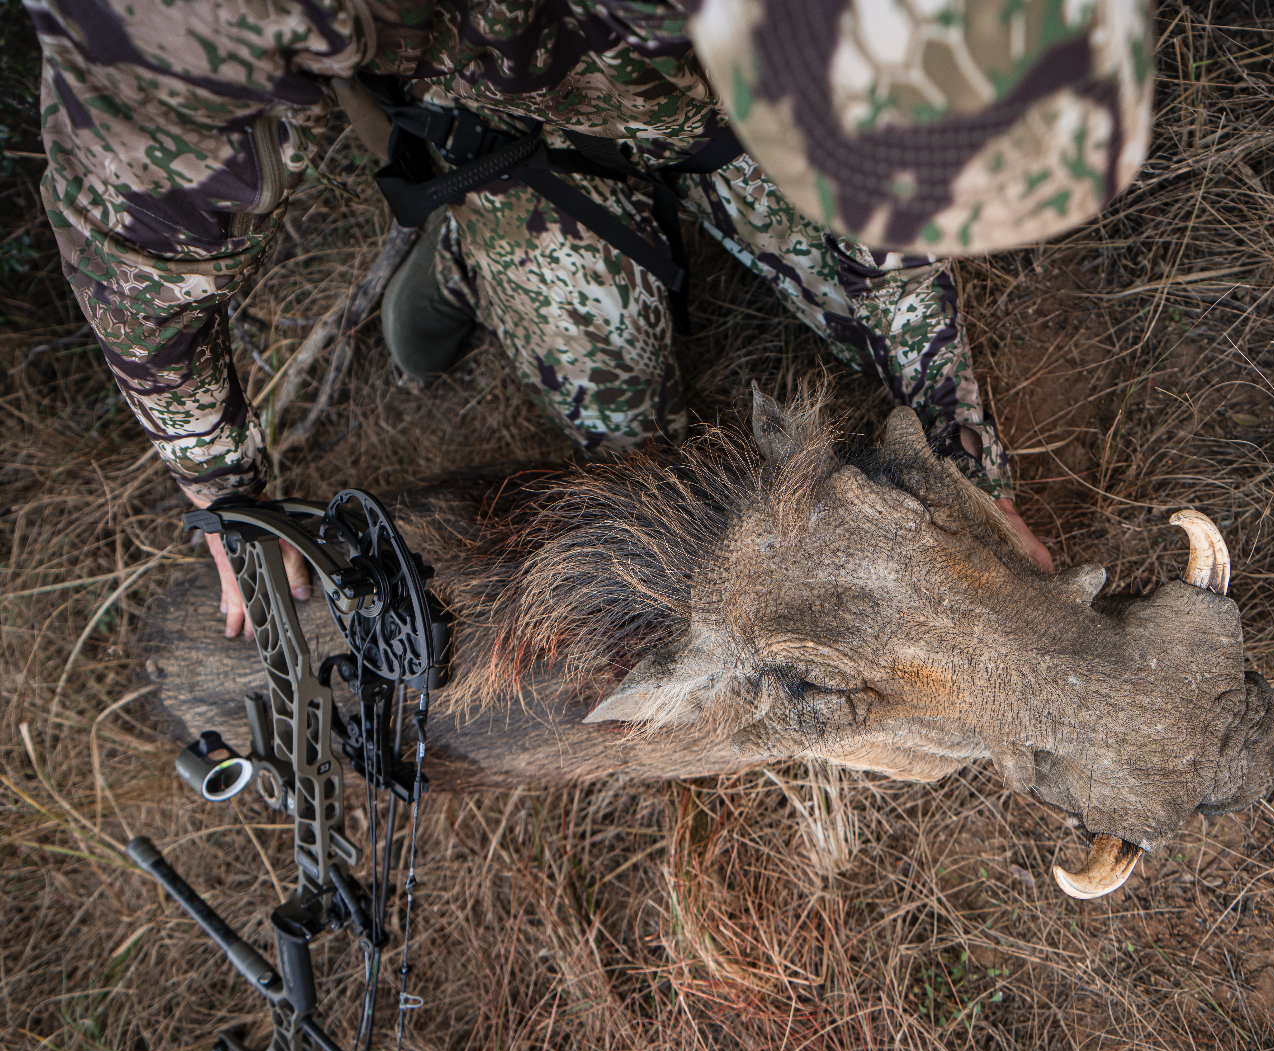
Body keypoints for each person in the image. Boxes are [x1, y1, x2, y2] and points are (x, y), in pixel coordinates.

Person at [29, 0, 1153, 638]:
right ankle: (463, 259)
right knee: (628, 428)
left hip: (697, 102)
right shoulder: (186, 13)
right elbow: (138, 258)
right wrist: (224, 493)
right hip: (518, 134)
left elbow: (899, 227)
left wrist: (964, 459)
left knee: (868, 273)